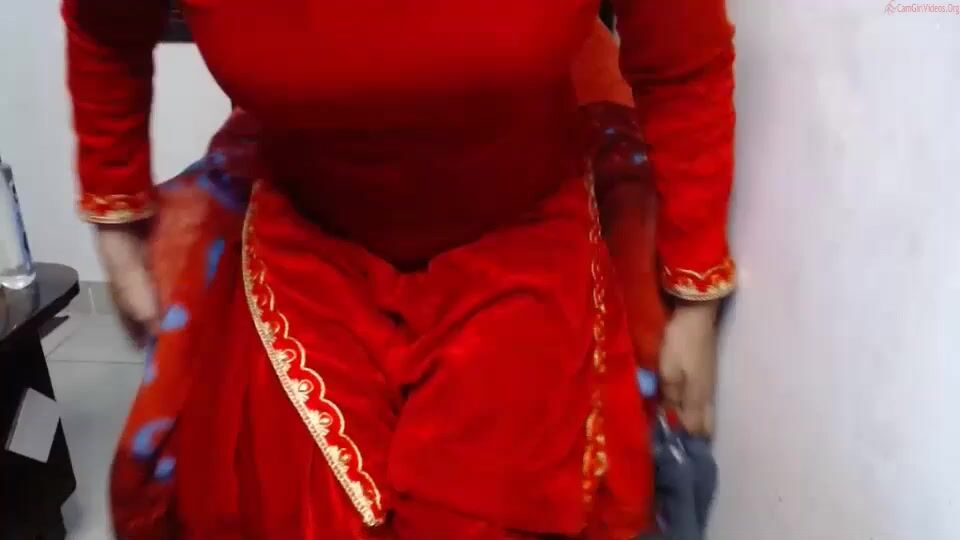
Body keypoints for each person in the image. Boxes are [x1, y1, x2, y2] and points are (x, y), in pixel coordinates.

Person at [62, 2, 736, 539]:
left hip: (522, 225)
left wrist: (696, 291)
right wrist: (114, 215)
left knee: (496, 506)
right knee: (292, 507)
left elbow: (683, 64)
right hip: (307, 228)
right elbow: (104, 26)